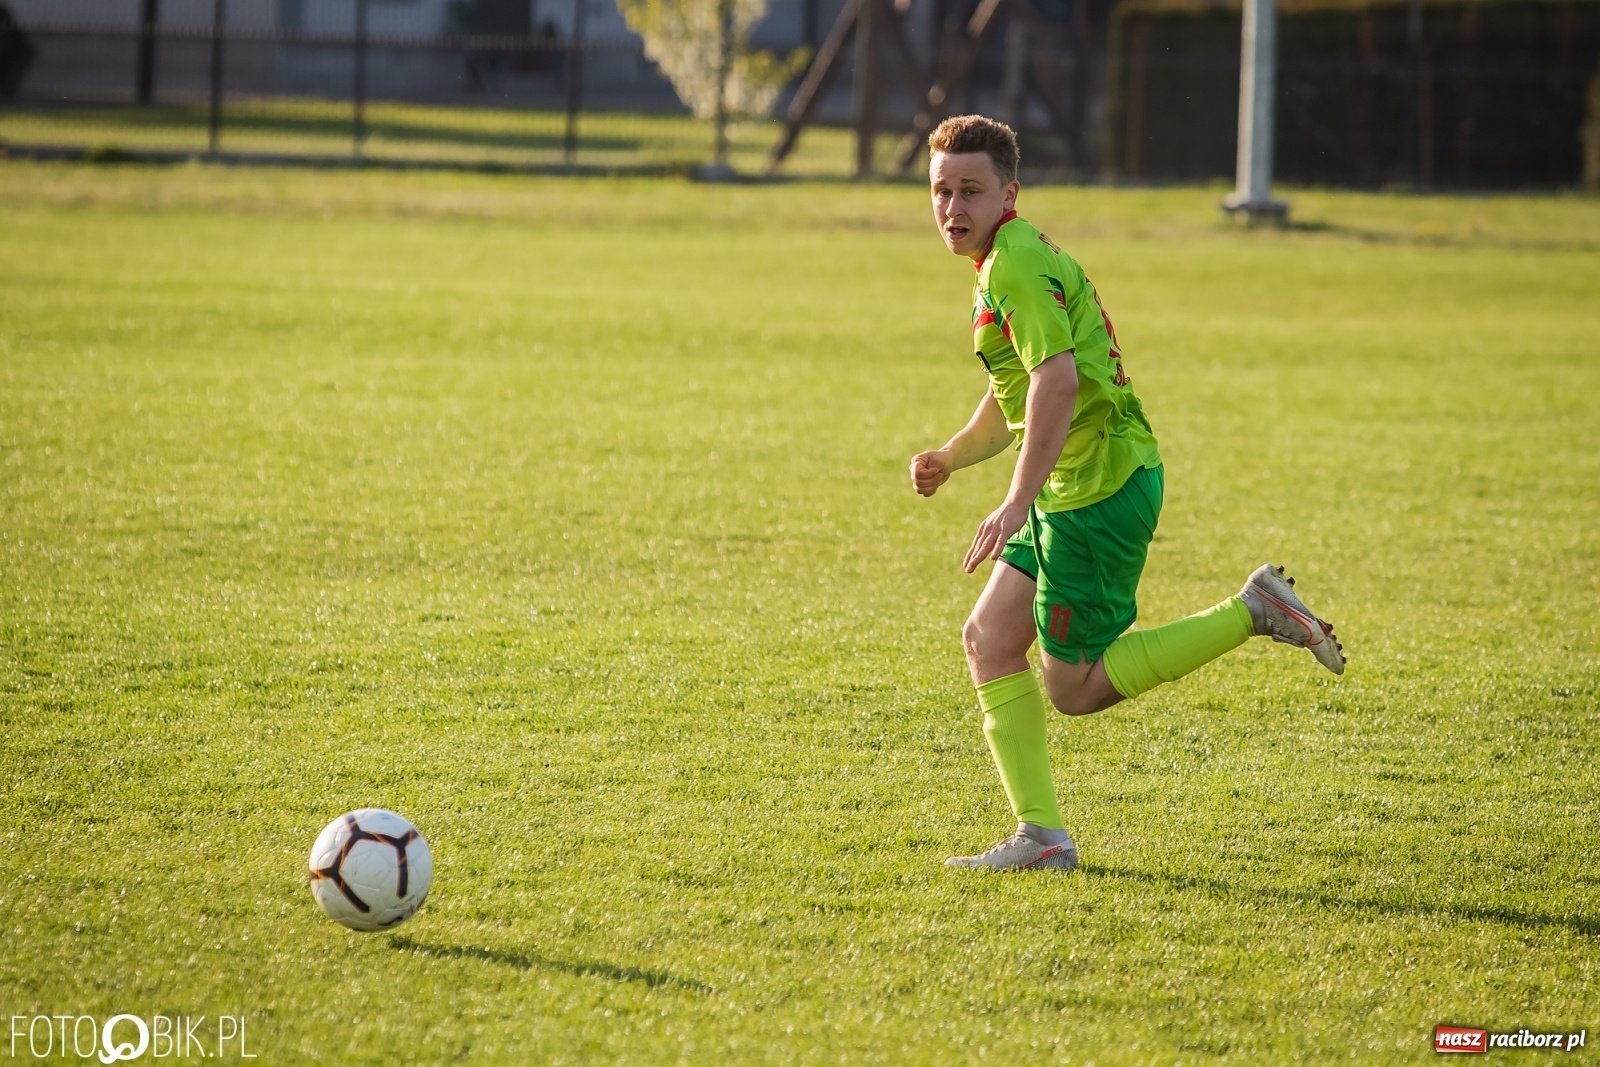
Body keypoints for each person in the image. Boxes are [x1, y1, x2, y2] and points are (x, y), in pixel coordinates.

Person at [909, 115, 1345, 872]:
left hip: (1096, 490)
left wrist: (1016, 500)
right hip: (1076, 482)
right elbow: (1015, 390)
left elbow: (1058, 382)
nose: (953, 207)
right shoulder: (1007, 257)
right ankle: (1041, 838)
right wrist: (952, 456)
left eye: (970, 190)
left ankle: (1253, 610)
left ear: (1008, 192)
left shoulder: (1011, 264)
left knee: (1073, 686)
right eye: (942, 191)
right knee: (989, 639)